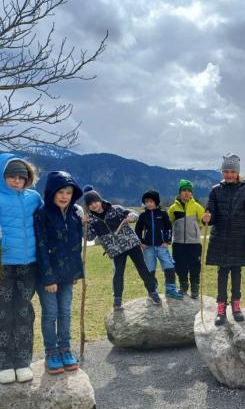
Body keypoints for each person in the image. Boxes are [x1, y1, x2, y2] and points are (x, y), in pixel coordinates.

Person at [35, 171, 84, 375]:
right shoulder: (42, 214)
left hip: (67, 275)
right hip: (48, 276)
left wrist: (75, 273)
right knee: (51, 314)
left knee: (65, 312)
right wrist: (48, 277)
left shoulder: (74, 215)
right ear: (51, 192)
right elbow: (41, 246)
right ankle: (52, 352)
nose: (65, 196)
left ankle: (65, 349)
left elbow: (75, 247)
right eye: (60, 192)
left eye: (68, 192)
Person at [202, 154, 245, 326]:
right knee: (222, 273)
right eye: (226, 171)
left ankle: (236, 306)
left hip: (240, 240)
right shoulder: (215, 190)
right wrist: (206, 217)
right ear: (222, 172)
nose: (228, 174)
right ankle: (221, 309)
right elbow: (210, 216)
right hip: (220, 239)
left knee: (236, 273)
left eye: (232, 171)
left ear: (237, 172)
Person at [0, 154, 42, 384]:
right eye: (11, 177)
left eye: (21, 177)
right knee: (3, 312)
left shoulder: (34, 197)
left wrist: (75, 212)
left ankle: (23, 361)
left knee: (24, 311)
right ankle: (4, 363)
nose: (17, 181)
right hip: (3, 264)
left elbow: (49, 216)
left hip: (29, 263)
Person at [83, 185, 161, 310]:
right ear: (87, 206)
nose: (94, 205)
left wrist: (131, 217)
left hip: (131, 244)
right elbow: (89, 237)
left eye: (95, 201)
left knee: (142, 268)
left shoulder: (115, 209)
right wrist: (84, 225)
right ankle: (117, 299)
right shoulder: (92, 220)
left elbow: (133, 213)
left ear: (100, 200)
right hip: (116, 250)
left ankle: (152, 292)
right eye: (90, 204)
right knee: (118, 273)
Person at [135, 189, 182, 300]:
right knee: (150, 270)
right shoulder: (143, 216)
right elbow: (137, 231)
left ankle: (170, 289)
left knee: (169, 266)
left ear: (156, 202)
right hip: (148, 248)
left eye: (151, 201)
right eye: (146, 202)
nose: (149, 204)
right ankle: (152, 291)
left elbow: (169, 228)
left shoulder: (163, 214)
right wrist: (141, 242)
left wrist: (167, 241)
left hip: (161, 246)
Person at [168, 179, 205, 299]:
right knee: (179, 266)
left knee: (195, 266)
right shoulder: (173, 208)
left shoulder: (197, 207)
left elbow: (204, 222)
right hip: (178, 243)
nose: (187, 193)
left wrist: (204, 222)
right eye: (184, 190)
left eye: (189, 190)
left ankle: (195, 287)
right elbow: (169, 224)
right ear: (180, 192)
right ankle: (183, 286)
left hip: (194, 243)